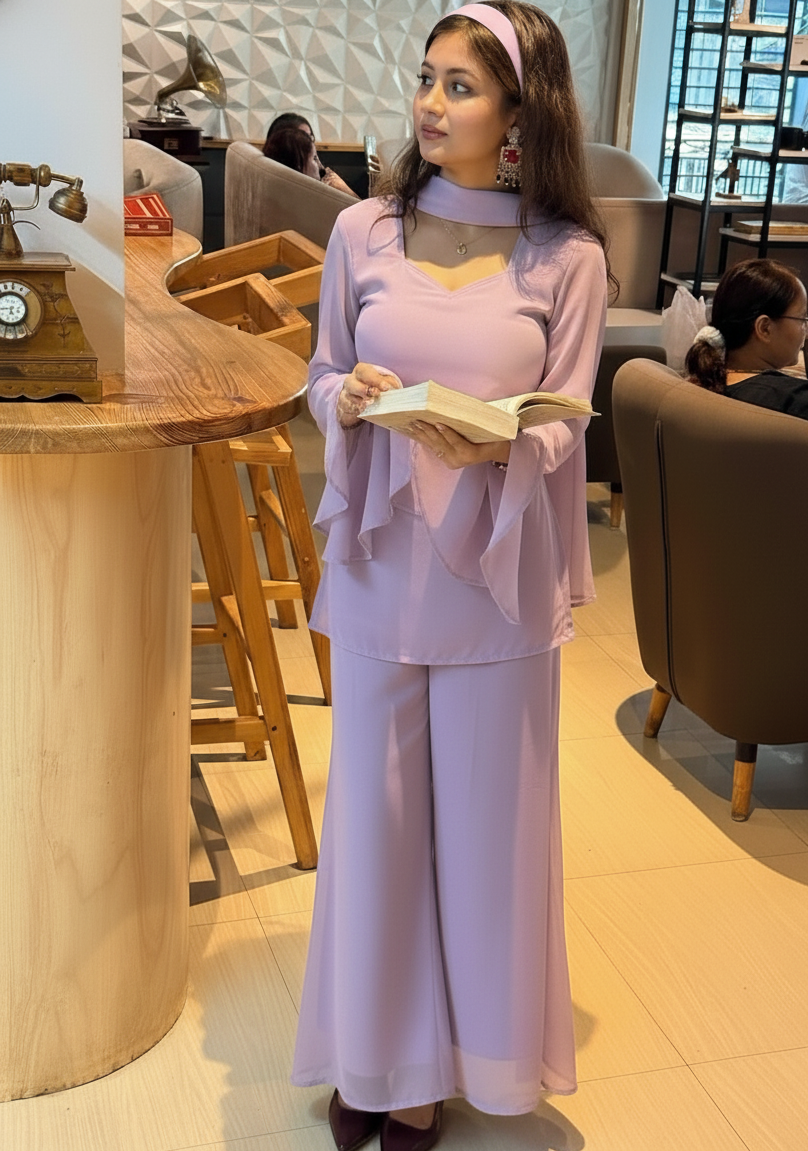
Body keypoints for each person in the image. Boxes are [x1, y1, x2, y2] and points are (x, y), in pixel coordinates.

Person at [291, 4, 608, 1150]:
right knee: (375, 827)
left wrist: (507, 441)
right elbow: (319, 373)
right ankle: (380, 1061)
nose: (430, 103)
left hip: (498, 578)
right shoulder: (363, 231)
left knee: (484, 828)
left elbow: (570, 418)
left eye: (461, 86)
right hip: (382, 563)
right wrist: (349, 398)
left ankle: (463, 1064)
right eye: (426, 79)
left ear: (521, 112)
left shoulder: (567, 255)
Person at [685, 258, 808, 417]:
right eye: (802, 319)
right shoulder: (795, 399)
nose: (806, 329)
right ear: (764, 328)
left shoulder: (702, 384)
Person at [263, 113, 358, 197]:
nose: (309, 143)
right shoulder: (287, 193)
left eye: (310, 137)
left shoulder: (329, 181)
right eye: (302, 137)